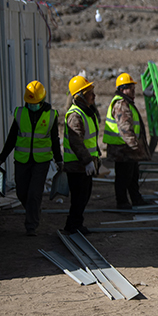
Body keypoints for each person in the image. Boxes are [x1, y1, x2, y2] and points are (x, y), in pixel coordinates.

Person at [0, 81, 62, 235]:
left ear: (42, 101)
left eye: (35, 103)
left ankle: (31, 226)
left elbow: (55, 140)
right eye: (29, 103)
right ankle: (33, 211)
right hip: (22, 160)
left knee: (34, 193)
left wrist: (59, 160)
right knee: (21, 192)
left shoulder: (51, 116)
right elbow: (11, 138)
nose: (32, 105)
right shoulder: (20, 114)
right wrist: (1, 157)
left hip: (41, 162)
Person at [104, 73, 151, 210]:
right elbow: (125, 128)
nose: (133, 92)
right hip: (123, 149)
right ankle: (122, 202)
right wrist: (134, 147)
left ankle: (135, 198)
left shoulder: (126, 103)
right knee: (124, 176)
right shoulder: (121, 104)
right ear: (123, 89)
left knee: (132, 175)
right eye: (131, 89)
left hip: (126, 148)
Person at [62, 75, 102, 235]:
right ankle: (72, 226)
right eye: (90, 93)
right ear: (80, 96)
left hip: (84, 164)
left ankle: (75, 224)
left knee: (83, 197)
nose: (94, 95)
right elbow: (76, 142)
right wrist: (87, 161)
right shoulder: (75, 115)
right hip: (77, 165)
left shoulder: (86, 112)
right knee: (79, 198)